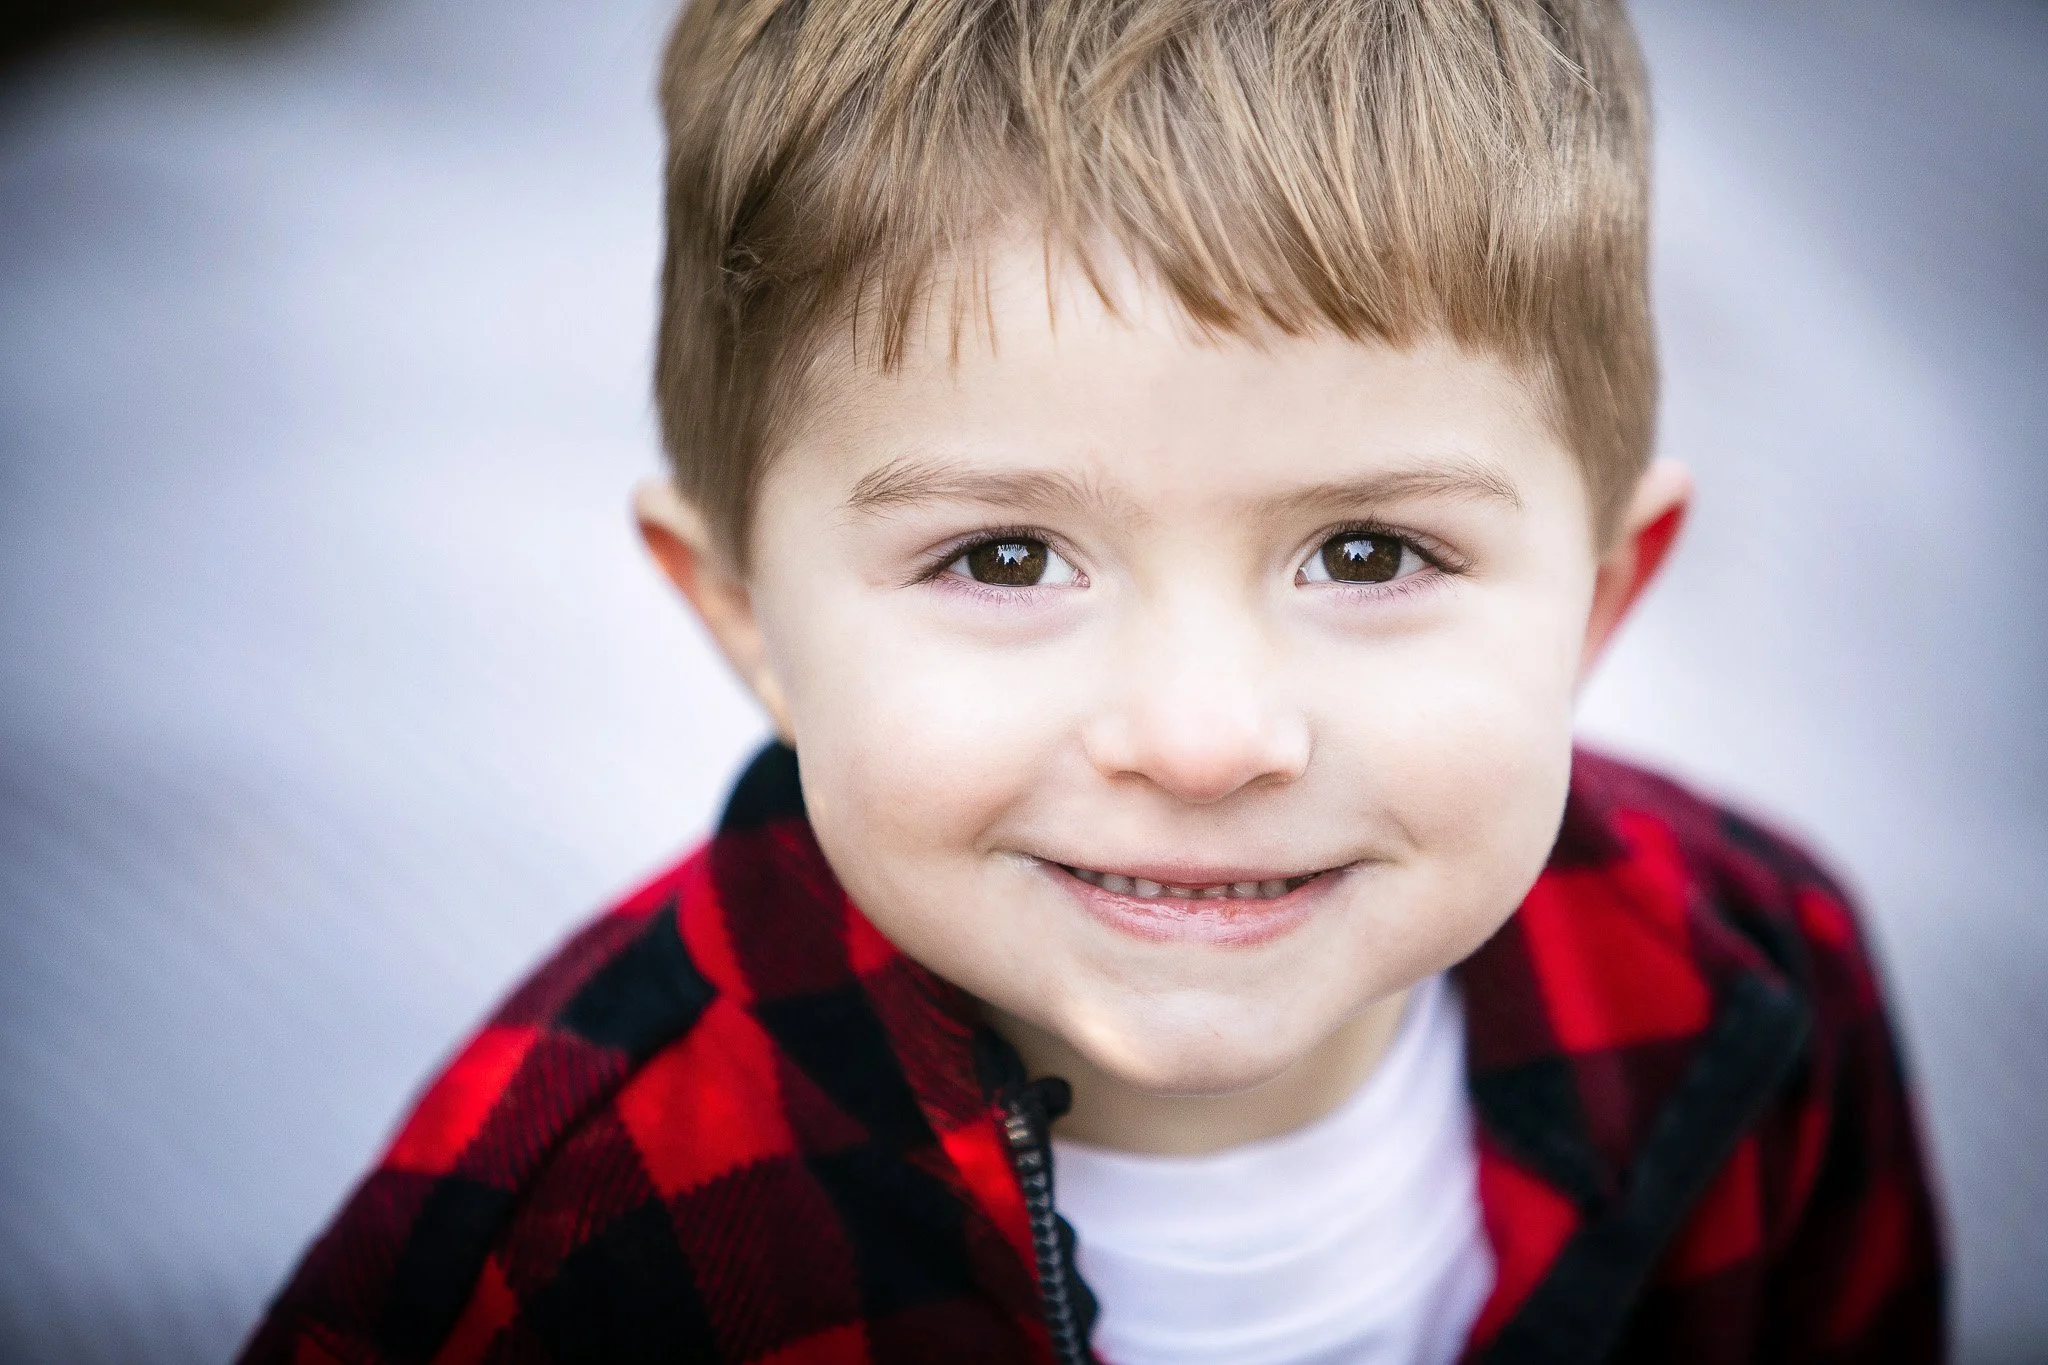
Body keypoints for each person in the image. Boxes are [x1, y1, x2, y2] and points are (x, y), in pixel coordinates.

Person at [241, 1, 1945, 1361]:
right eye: (1002, 558)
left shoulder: (1748, 983)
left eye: (1366, 553)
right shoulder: (575, 1228)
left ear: (1598, 599)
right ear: (742, 611)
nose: (1204, 741)